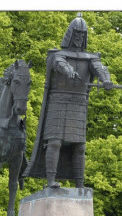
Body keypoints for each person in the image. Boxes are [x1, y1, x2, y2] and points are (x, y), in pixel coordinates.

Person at [24, 13, 112, 188]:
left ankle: (80, 184)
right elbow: (59, 63)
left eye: (82, 36)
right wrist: (68, 70)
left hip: (78, 104)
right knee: (54, 142)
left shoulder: (91, 57)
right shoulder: (58, 55)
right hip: (58, 102)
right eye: (77, 35)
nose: (79, 39)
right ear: (70, 35)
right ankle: (50, 181)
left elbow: (99, 68)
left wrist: (106, 79)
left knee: (79, 146)